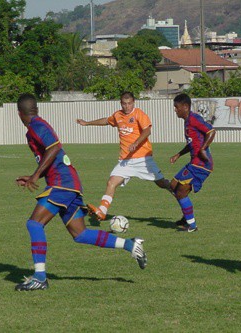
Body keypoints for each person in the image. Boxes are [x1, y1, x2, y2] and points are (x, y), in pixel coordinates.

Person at [14, 93, 147, 291]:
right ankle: (130, 245)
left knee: (34, 224)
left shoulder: (36, 126)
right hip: (69, 183)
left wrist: (35, 176)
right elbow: (51, 157)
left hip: (62, 183)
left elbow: (54, 148)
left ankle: (40, 277)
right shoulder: (36, 126)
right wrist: (35, 176)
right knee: (80, 234)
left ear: (19, 113)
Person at [76, 91, 171, 221]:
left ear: (133, 103)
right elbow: (107, 121)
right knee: (111, 182)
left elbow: (147, 130)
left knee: (162, 183)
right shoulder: (118, 115)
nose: (127, 106)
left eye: (129, 103)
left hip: (143, 159)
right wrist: (87, 123)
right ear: (121, 103)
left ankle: (179, 192)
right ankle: (102, 211)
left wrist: (136, 143)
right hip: (125, 161)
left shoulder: (139, 114)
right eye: (124, 104)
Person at [169, 93, 216, 232]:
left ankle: (192, 225)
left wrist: (203, 149)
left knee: (181, 192)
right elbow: (191, 144)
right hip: (194, 163)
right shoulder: (187, 121)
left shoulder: (194, 119)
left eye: (177, 107)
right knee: (173, 185)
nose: (175, 110)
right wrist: (178, 154)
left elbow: (211, 131)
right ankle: (186, 216)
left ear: (185, 107)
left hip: (201, 164)